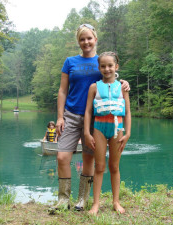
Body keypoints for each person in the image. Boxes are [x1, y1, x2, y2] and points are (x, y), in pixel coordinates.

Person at [49, 24, 129, 214]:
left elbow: (110, 78)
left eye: (89, 38)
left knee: (88, 159)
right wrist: (60, 117)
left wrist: (124, 83)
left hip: (94, 118)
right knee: (62, 156)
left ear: (95, 39)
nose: (86, 42)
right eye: (82, 39)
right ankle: (63, 199)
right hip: (70, 114)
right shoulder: (70, 61)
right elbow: (62, 90)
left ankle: (83, 199)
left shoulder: (101, 61)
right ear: (78, 41)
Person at [84, 51, 131, 215]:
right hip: (99, 128)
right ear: (99, 67)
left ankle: (116, 201)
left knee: (114, 166)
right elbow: (88, 112)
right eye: (103, 66)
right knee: (100, 167)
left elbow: (128, 112)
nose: (107, 69)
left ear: (116, 67)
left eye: (110, 65)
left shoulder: (123, 87)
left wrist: (128, 133)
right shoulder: (94, 87)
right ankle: (96, 204)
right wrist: (87, 133)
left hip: (117, 129)